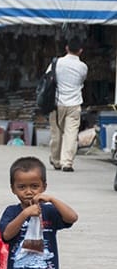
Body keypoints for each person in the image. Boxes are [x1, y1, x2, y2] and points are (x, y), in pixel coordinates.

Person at [49, 37, 88, 172]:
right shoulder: (83, 67)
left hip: (56, 103)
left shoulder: (56, 63)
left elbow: (48, 79)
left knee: (56, 133)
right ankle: (67, 163)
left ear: (66, 48)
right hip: (74, 103)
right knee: (71, 134)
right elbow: (82, 80)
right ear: (81, 51)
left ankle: (56, 160)